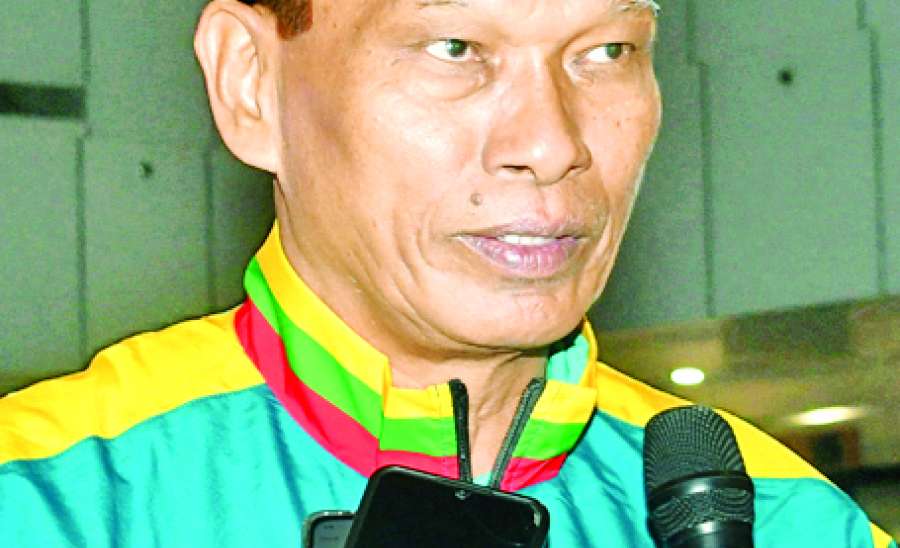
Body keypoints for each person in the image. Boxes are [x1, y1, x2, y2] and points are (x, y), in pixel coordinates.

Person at [0, 0, 895, 546]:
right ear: (251, 84)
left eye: (609, 52)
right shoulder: (47, 500)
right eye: (455, 47)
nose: (550, 143)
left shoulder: (792, 522)